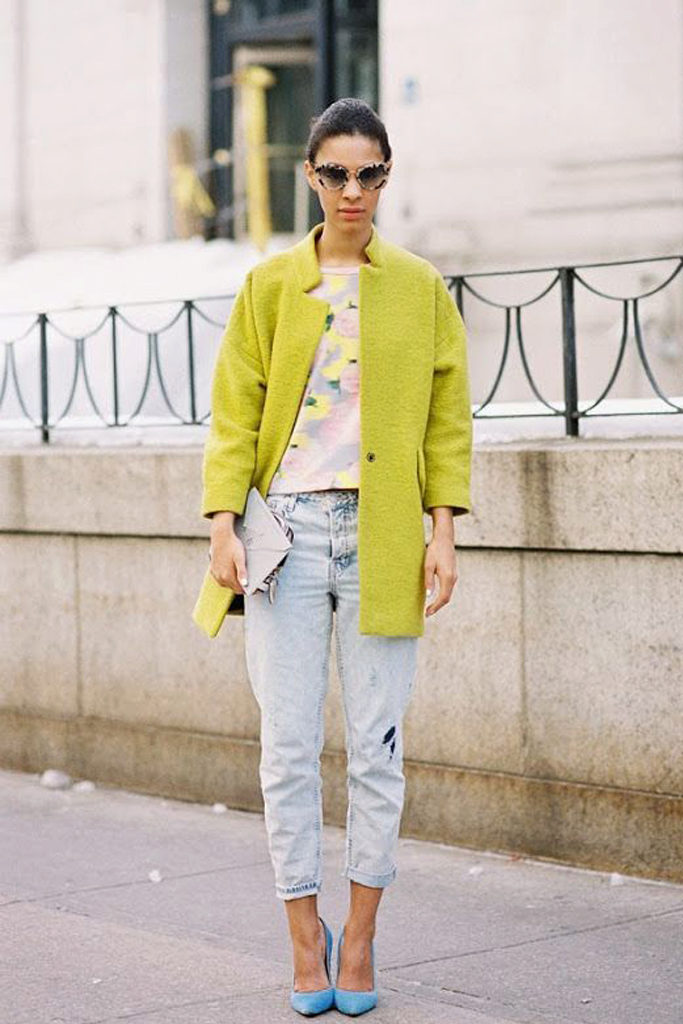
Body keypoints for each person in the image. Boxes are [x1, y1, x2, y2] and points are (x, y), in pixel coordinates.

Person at [201, 97, 473, 1016]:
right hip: (282, 537)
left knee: (376, 751)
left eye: (368, 174)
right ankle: (300, 941)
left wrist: (442, 531)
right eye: (335, 173)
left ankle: (357, 940)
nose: (352, 190)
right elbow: (234, 411)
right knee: (285, 751)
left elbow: (446, 421)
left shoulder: (420, 288)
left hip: (382, 535)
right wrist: (221, 523)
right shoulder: (270, 286)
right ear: (310, 177)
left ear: (386, 177)